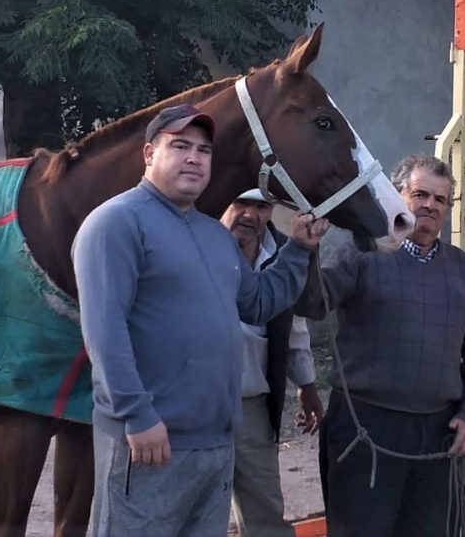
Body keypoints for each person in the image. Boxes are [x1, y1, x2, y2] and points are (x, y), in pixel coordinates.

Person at [71, 104, 329, 537]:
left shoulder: (214, 236)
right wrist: (137, 416)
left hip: (216, 444)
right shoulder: (116, 223)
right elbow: (104, 331)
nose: (194, 157)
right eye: (180, 146)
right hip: (153, 443)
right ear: (150, 154)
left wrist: (299, 249)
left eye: (204, 150)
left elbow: (259, 303)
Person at [298, 154, 465, 537]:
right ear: (397, 195)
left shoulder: (460, 267)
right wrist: (305, 252)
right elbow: (312, 303)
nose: (429, 206)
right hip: (365, 430)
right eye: (420, 194)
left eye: (440, 200)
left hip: (438, 434)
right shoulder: (363, 252)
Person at [219, 189, 325, 537]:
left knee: (264, 514)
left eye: (260, 206)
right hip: (196, 403)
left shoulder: (282, 254)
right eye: (240, 203)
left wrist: (306, 386)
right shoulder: (197, 244)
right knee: (193, 511)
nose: (249, 214)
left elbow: (293, 327)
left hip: (252, 404)